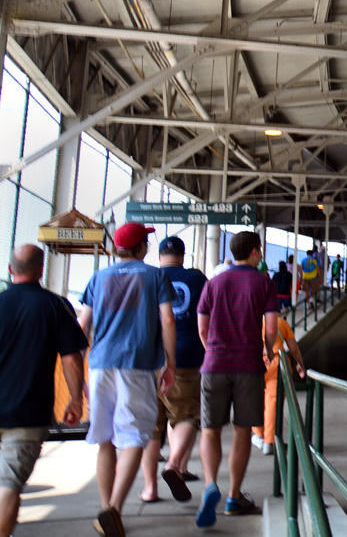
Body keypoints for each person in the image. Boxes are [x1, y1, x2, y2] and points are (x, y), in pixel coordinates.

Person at [78, 223, 177, 537]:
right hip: (137, 364)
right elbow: (167, 319)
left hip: (100, 364)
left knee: (105, 439)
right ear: (141, 248)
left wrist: (80, 369)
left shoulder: (98, 277)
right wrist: (170, 361)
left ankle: (108, 512)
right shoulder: (155, 276)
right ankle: (114, 510)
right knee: (135, 436)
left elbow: (82, 326)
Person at [0, 245, 87, 537]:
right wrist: (76, 399)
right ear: (41, 270)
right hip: (28, 412)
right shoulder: (55, 305)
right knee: (9, 485)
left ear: (10, 270)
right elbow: (72, 357)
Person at [195, 231, 278, 528]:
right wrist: (267, 351)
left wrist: (214, 352)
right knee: (242, 430)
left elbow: (202, 328)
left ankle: (210, 485)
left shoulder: (213, 283)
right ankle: (233, 497)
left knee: (210, 429)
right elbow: (270, 329)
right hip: (248, 366)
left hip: (214, 364)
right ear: (255, 252)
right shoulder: (264, 283)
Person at [140, 236, 206, 504]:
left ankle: (149, 489)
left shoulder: (147, 278)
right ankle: (174, 465)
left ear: (158, 256)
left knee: (151, 428)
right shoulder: (197, 279)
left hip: (147, 359)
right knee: (186, 417)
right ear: (183, 254)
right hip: (187, 357)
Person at [250, 316, 306, 456]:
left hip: (253, 362)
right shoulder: (280, 322)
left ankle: (258, 435)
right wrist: (300, 364)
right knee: (272, 402)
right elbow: (293, 347)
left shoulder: (250, 320)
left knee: (254, 400)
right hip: (276, 362)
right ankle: (269, 442)